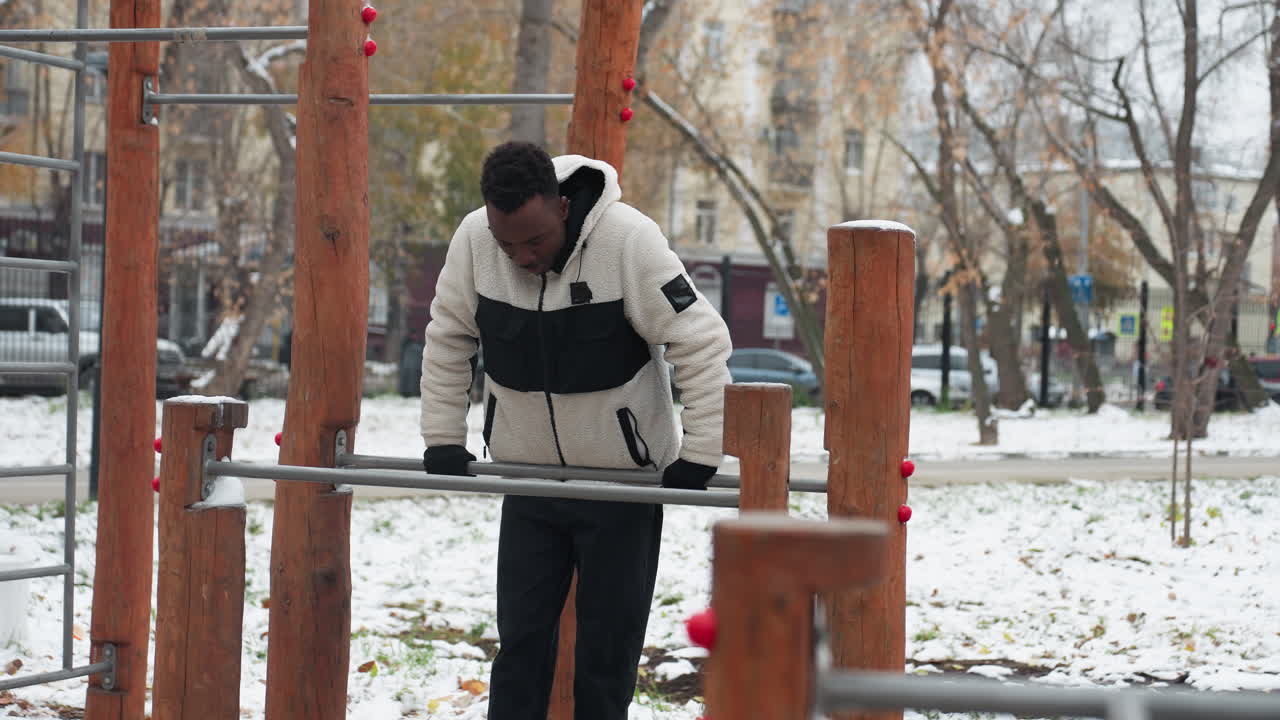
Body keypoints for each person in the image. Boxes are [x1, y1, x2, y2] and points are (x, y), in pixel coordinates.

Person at [419, 141, 732, 720]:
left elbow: (701, 341)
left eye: (534, 240)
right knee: (520, 649)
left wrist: (702, 452)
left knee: (605, 658)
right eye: (506, 242)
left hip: (622, 487)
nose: (520, 256)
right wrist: (442, 436)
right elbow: (448, 336)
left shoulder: (627, 241)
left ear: (563, 207)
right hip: (531, 480)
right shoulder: (474, 241)